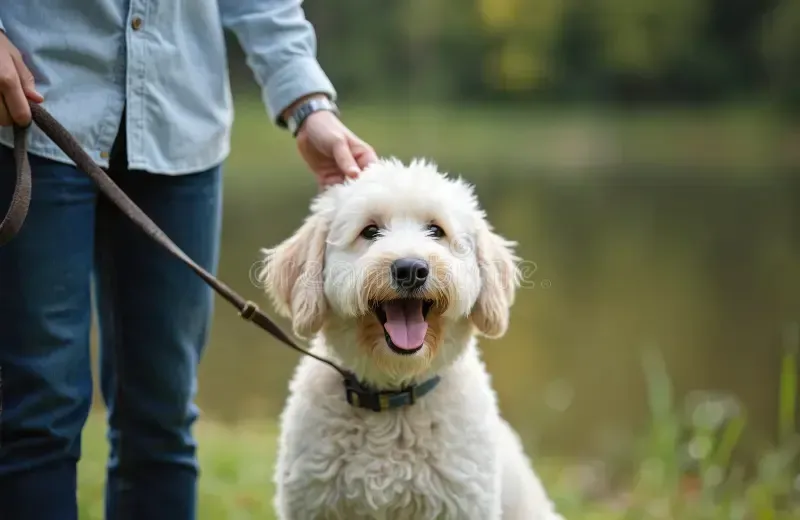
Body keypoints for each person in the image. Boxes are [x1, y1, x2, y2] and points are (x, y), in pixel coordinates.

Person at [0, 3, 377, 520]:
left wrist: (309, 105)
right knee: (38, 412)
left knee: (163, 415)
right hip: (35, 106)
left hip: (182, 125)